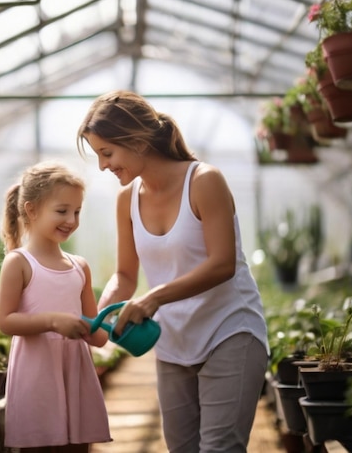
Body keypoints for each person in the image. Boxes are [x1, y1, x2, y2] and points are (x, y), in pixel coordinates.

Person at [76, 90, 269, 453]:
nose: (103, 166)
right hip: (172, 343)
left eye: (107, 153)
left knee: (220, 448)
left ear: (136, 140)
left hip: (229, 331)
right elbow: (126, 276)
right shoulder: (127, 200)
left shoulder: (204, 180)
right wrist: (100, 315)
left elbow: (223, 263)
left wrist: (153, 299)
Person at [0, 160, 112, 453]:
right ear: (31, 210)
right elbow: (6, 321)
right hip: (37, 377)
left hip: (75, 374)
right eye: (62, 211)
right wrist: (52, 321)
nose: (71, 220)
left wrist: (112, 326)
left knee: (77, 447)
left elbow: (96, 335)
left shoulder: (79, 267)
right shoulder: (19, 263)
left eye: (77, 211)